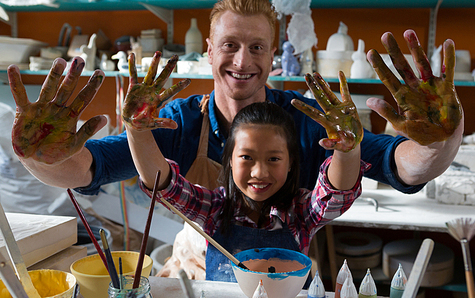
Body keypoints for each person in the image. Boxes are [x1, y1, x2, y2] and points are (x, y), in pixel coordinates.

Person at [8, 0, 463, 276]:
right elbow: (85, 168)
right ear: (209, 51)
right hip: (193, 274)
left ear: (273, 55)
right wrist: (38, 153)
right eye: (230, 45)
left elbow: (401, 164)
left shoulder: (308, 118)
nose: (242, 61)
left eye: (257, 47)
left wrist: (442, 136)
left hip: (283, 277)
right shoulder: (178, 121)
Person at [122, 66, 365, 282]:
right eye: (247, 157)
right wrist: (136, 131)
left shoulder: (300, 213)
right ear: (229, 160)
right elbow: (164, 185)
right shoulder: (213, 208)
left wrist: (347, 150)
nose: (259, 172)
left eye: (274, 159)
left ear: (291, 163)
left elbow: (336, 195)